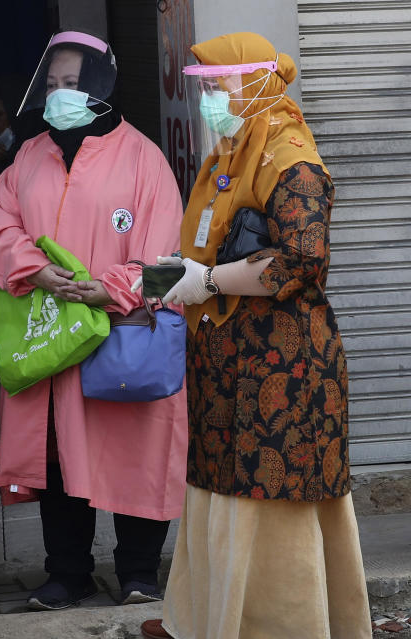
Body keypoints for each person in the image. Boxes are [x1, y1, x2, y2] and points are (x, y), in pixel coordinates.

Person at [139, 33, 371, 639]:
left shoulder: (289, 157)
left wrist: (208, 281)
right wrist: (169, 277)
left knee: (270, 494)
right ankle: (207, 620)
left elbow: (301, 260)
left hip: (282, 369)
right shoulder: (231, 150)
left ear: (258, 82)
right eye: (206, 88)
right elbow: (211, 240)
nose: (211, 99)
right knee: (222, 490)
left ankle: (280, 626)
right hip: (227, 362)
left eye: (220, 85)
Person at [0, 31, 188, 610]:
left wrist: (112, 288)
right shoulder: (29, 156)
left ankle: (138, 572)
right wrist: (36, 272)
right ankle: (66, 573)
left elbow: (167, 265)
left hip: (122, 335)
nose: (59, 95)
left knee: (133, 450)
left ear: (100, 86)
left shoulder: (145, 159)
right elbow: (0, 232)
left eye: (71, 84)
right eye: (51, 84)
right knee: (57, 452)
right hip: (52, 337)